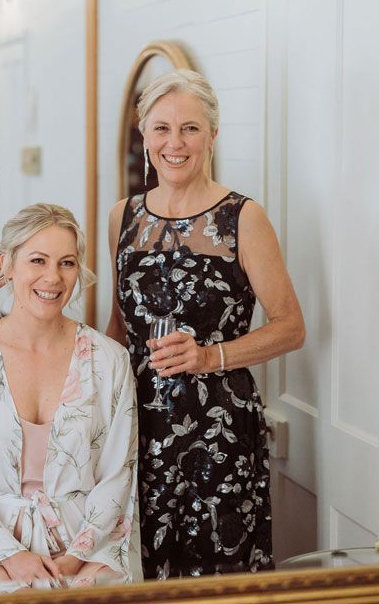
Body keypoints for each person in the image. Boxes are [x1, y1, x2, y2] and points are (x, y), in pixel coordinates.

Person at [106, 69, 305, 579]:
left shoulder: (244, 217)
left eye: (190, 129)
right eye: (162, 128)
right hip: (137, 427)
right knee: (141, 568)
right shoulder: (121, 217)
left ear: (213, 136)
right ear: (144, 135)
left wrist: (207, 357)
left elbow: (290, 326)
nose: (175, 143)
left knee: (216, 574)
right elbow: (117, 326)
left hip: (218, 433)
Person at [0, 203, 142, 592]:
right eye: (37, 260)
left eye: (67, 263)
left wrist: (75, 556)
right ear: (8, 265)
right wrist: (10, 555)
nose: (53, 277)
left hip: (87, 546)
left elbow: (118, 476)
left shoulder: (109, 360)